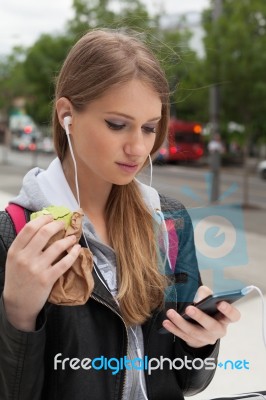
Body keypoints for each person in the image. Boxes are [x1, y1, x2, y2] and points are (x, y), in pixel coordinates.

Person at [0, 29, 240, 400]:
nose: (138, 147)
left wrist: (201, 344)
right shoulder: (14, 233)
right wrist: (18, 314)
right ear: (67, 116)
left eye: (149, 128)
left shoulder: (169, 221)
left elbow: (189, 382)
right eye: (117, 124)